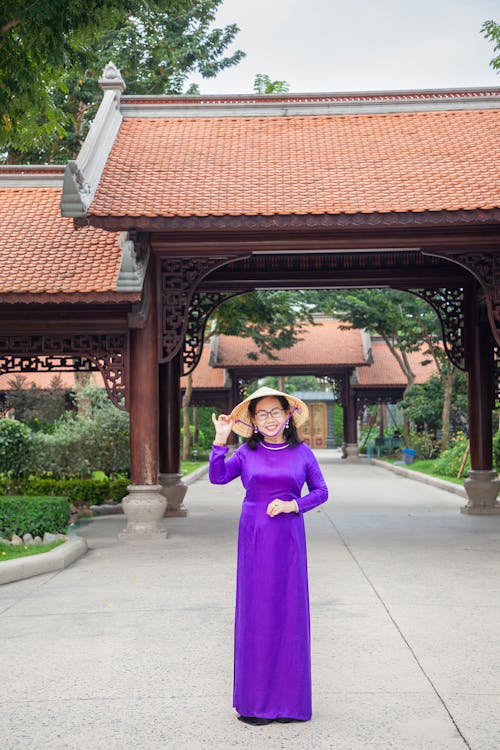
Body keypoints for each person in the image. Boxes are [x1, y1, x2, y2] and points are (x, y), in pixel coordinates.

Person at [209, 385, 329, 726]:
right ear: (253, 420)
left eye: (276, 412)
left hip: (288, 538)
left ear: (289, 415)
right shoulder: (247, 454)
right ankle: (255, 704)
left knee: (289, 612)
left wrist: (295, 504)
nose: (270, 419)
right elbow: (218, 478)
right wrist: (221, 442)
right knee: (257, 613)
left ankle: (290, 704)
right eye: (262, 414)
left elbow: (321, 491)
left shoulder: (302, 453)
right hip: (254, 538)